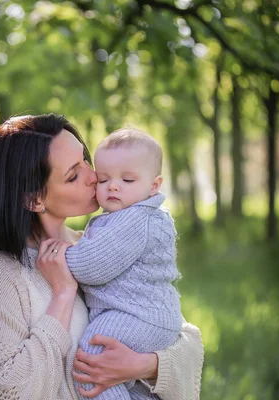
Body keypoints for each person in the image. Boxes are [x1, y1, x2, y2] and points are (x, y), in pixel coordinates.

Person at [0, 114, 204, 400]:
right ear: (34, 199)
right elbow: (0, 391)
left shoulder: (99, 246)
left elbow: (183, 337)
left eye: (85, 159)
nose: (93, 176)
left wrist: (144, 366)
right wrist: (63, 294)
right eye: (73, 175)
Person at [65, 128, 182, 400]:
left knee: (92, 358)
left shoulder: (136, 219)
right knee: (130, 385)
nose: (113, 186)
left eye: (127, 179)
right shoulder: (128, 216)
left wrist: (64, 254)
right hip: (142, 315)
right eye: (103, 179)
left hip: (140, 317)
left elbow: (90, 266)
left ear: (154, 186)